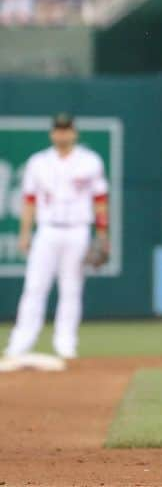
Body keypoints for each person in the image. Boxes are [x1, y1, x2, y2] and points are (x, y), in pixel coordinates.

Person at [2, 114, 109, 364]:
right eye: (58, 130)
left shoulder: (90, 161)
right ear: (52, 134)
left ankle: (65, 345)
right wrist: (25, 233)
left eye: (67, 129)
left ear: (74, 133)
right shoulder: (38, 162)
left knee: (71, 288)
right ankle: (19, 344)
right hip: (47, 229)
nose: (62, 134)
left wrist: (102, 235)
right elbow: (29, 200)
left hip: (78, 229)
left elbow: (100, 200)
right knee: (34, 287)